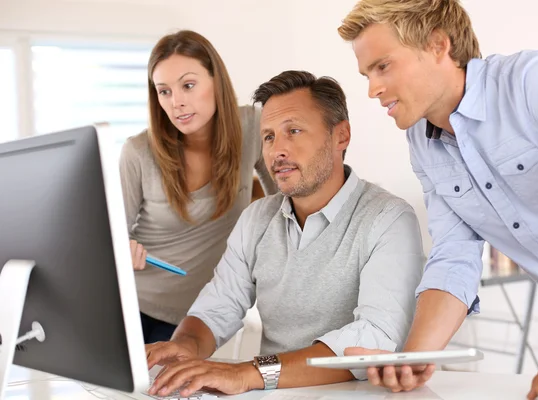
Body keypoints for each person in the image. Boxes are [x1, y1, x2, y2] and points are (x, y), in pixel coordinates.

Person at [337, 1, 538, 399]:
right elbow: (454, 253)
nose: (372, 89)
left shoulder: (536, 81)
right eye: (366, 74)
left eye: (383, 66)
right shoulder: (422, 145)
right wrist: (414, 356)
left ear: (438, 45)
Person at [143, 70, 425, 397]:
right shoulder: (257, 218)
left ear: (341, 136)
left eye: (293, 130)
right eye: (268, 137)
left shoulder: (388, 219)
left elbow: (373, 339)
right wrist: (186, 347)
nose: (278, 150)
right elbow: (217, 306)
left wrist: (248, 373)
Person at [119, 30, 277, 344]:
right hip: (131, 304)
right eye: (164, 91)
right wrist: (122, 249)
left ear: (216, 82)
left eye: (188, 85)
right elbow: (111, 238)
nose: (176, 102)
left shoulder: (252, 128)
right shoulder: (138, 152)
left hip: (198, 316)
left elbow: (287, 199)